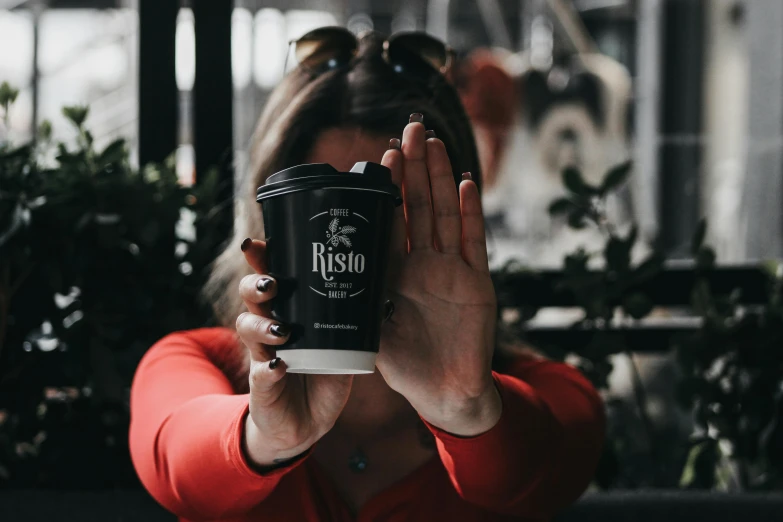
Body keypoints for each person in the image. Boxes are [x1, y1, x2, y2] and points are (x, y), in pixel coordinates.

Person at [129, 29, 605, 522]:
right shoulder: (196, 363)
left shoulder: (545, 396)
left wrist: (465, 407)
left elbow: (534, 469)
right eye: (324, 204)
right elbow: (180, 468)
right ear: (270, 221)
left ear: (449, 215)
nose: (353, 235)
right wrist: (266, 435)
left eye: (385, 206)